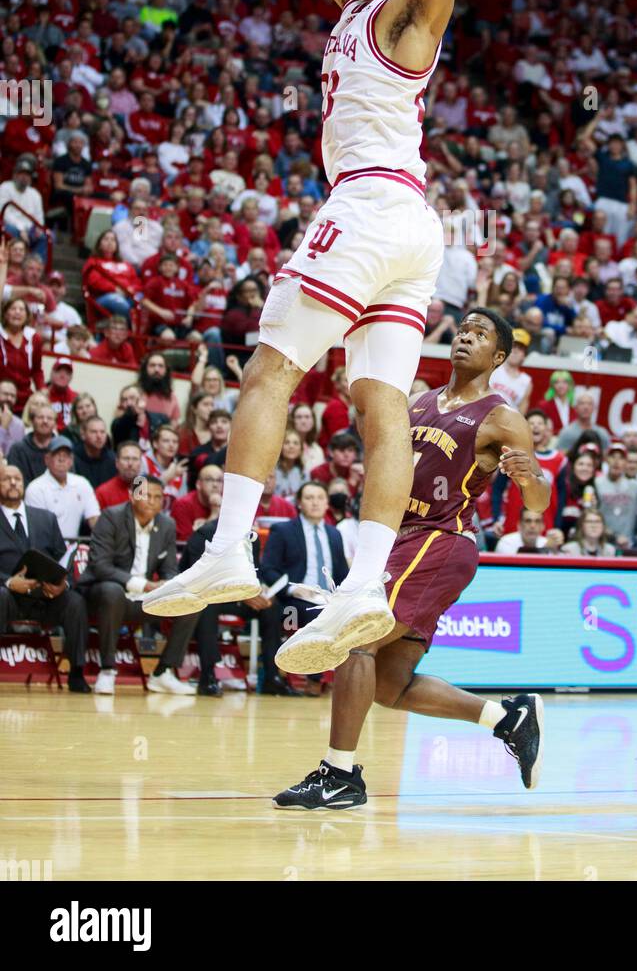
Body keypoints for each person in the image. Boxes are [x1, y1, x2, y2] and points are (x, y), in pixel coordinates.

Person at [146, 0, 479, 677]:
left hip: (372, 205)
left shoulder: (417, 8)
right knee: (379, 407)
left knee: (269, 369)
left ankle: (229, 548)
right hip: (408, 227)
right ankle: (366, 587)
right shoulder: (355, 3)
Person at [273, 308, 545, 809]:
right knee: (389, 685)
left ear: (499, 356)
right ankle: (507, 719)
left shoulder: (502, 417)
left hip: (442, 539)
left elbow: (537, 504)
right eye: (462, 329)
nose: (465, 337)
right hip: (399, 540)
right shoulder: (418, 401)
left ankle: (339, 775)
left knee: (359, 640)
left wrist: (532, 477)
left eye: (479, 334)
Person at [77, 476, 199, 695]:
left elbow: (169, 569)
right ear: (132, 496)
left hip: (144, 599)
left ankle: (163, 672)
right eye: (146, 495)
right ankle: (107, 670)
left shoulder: (166, 525)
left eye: (158, 497)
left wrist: (168, 584)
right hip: (104, 594)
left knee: (192, 601)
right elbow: (99, 566)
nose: (152, 501)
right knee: (111, 591)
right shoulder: (111, 517)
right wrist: (144, 585)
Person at [0, 463, 91, 692]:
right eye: (6, 479)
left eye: (18, 479)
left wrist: (62, 583)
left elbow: (63, 558)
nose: (13, 483)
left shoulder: (46, 518)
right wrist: (9, 582)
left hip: (45, 596)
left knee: (75, 602)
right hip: (9, 598)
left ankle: (77, 672)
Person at [178, 520, 287, 697]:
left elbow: (254, 574)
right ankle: (208, 675)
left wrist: (261, 589)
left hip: (236, 596)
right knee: (207, 604)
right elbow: (200, 579)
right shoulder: (204, 533)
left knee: (271, 607)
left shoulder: (252, 537)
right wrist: (242, 594)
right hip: (203, 593)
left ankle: (272, 677)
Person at [260, 480, 348, 695]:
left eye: (320, 498)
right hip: (293, 600)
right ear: (299, 503)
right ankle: (314, 680)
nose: (315, 503)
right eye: (309, 498)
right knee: (314, 614)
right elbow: (268, 569)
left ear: (327, 503)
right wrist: (293, 590)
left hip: (329, 599)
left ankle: (348, 681)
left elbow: (343, 575)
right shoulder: (283, 530)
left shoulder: (335, 534)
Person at [24, 435, 100, 541]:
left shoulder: (82, 483)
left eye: (66, 455)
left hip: (74, 548)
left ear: (71, 460)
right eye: (56, 454)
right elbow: (38, 529)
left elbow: (94, 519)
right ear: (47, 459)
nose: (61, 459)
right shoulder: (35, 488)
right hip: (45, 548)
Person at [489, 327, 533, 414]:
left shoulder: (526, 382)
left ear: (525, 355)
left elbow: (521, 413)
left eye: (520, 348)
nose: (515, 350)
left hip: (506, 423)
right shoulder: (492, 365)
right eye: (513, 346)